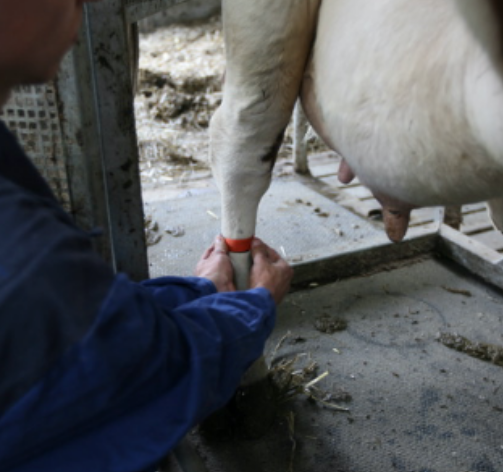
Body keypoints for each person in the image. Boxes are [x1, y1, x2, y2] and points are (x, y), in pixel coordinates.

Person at [0, 1, 294, 471]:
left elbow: (68, 323)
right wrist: (251, 308)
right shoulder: (29, 254)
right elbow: (138, 373)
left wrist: (198, 292)